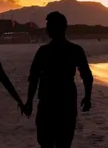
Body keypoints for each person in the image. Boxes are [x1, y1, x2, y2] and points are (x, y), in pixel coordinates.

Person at [24, 11, 93, 148]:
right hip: (64, 104)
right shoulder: (75, 50)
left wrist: (29, 101)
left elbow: (34, 79)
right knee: (63, 143)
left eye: (50, 26)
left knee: (48, 143)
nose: (48, 29)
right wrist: (87, 97)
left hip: (50, 105)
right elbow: (87, 76)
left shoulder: (44, 51)